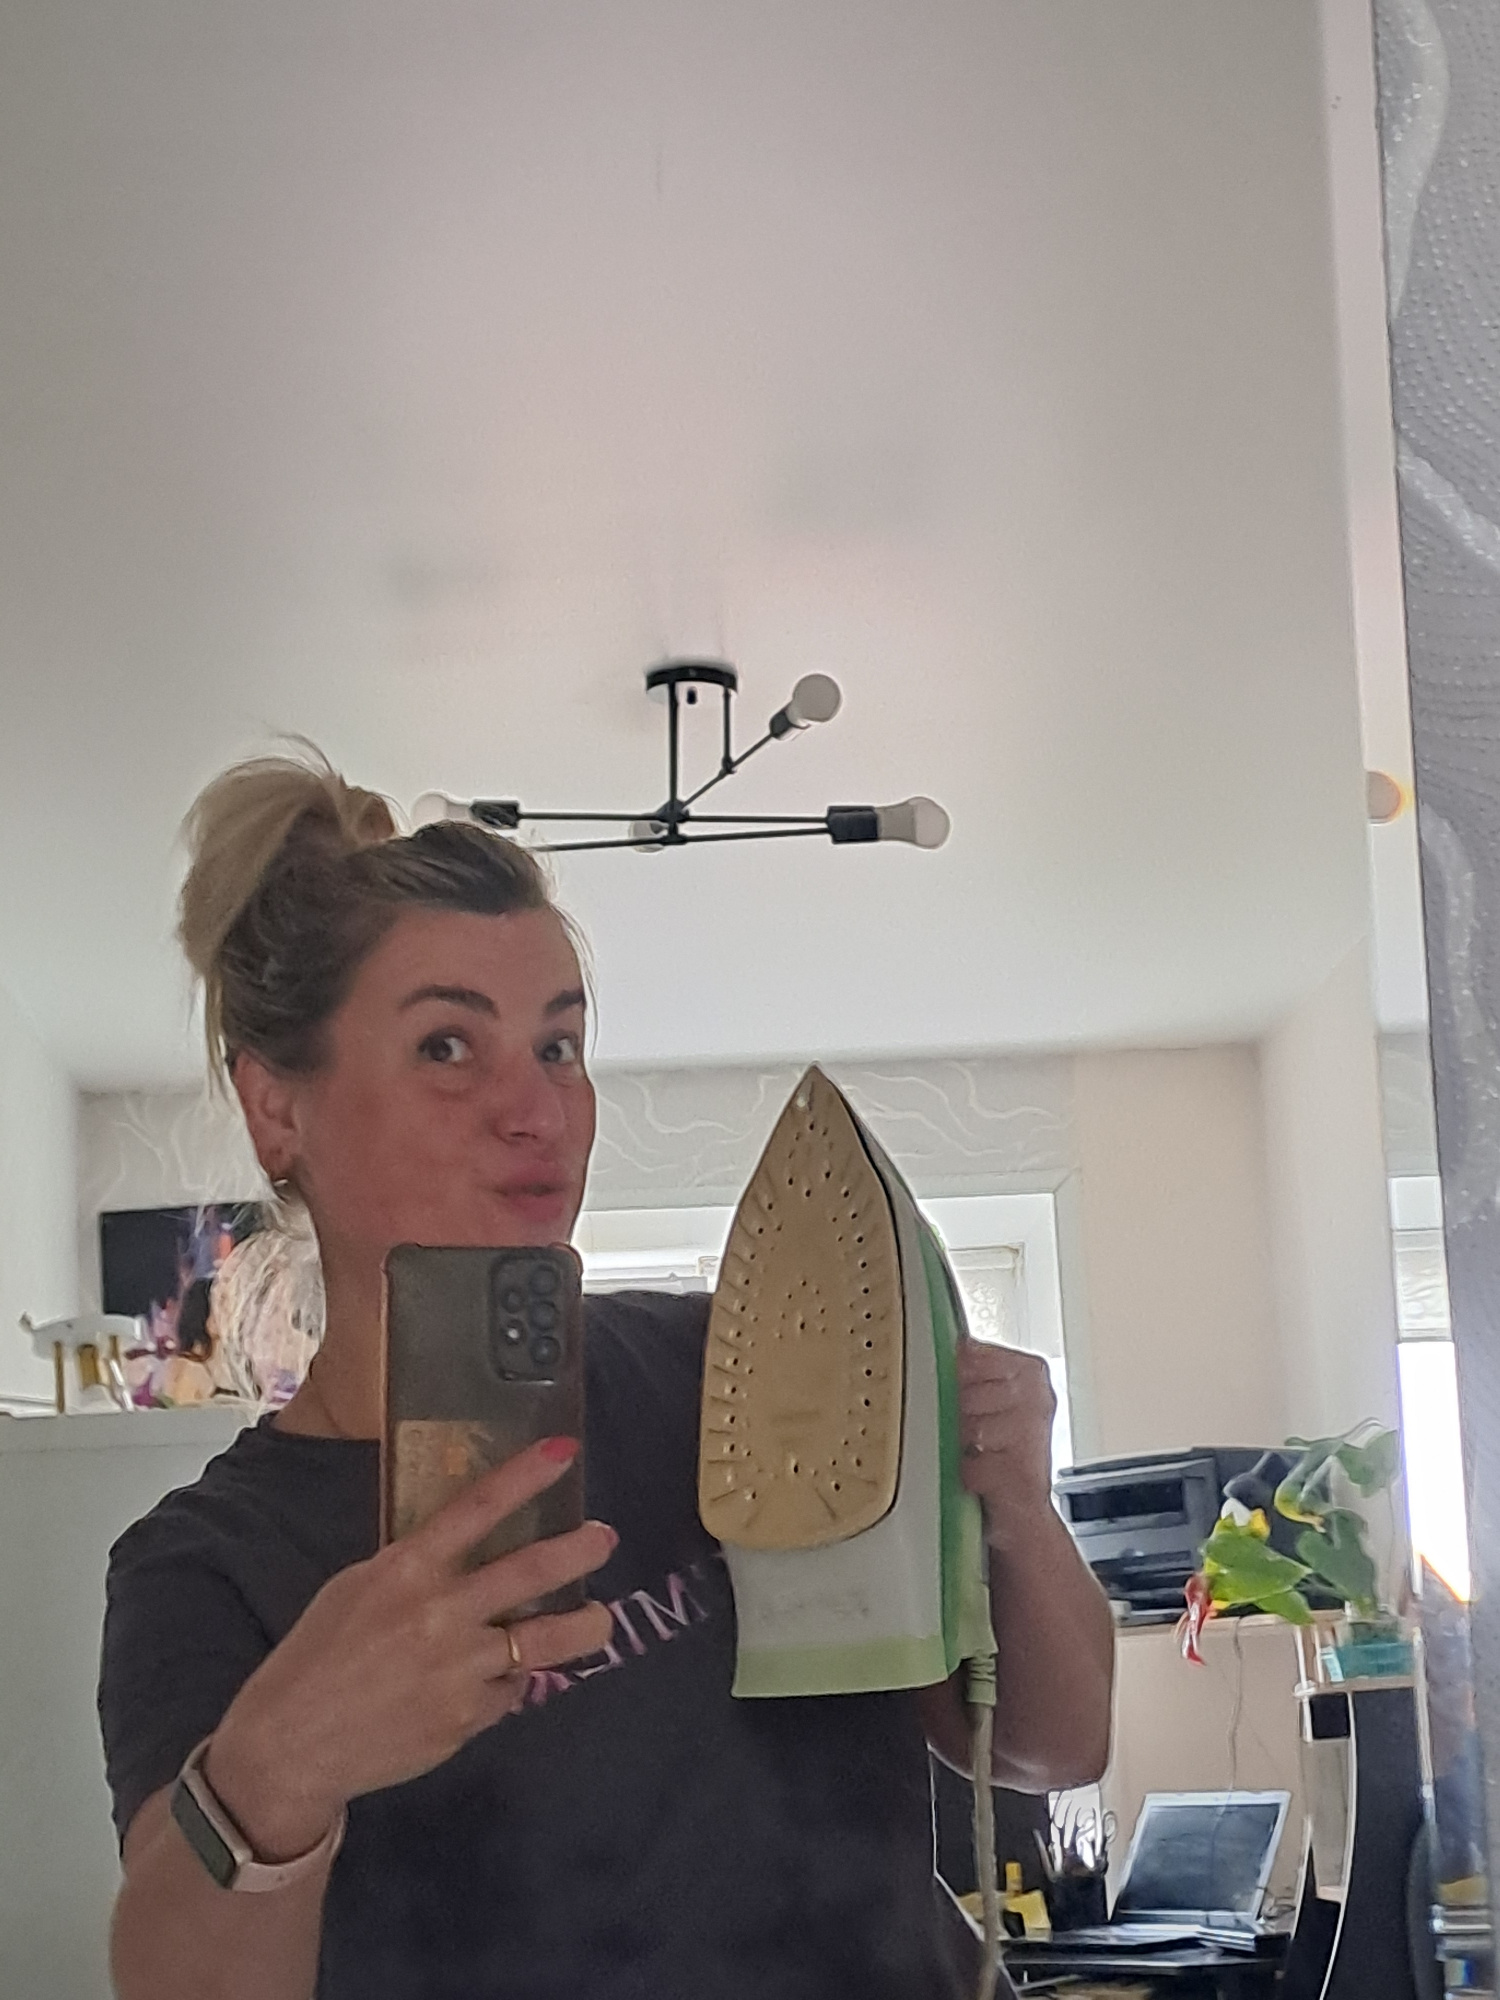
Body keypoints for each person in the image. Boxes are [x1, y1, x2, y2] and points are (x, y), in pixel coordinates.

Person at [99, 749, 1114, 2000]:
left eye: (560, 1043)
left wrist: (1014, 1506)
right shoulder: (206, 1565)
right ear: (277, 1109)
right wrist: (278, 1766)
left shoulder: (721, 1361)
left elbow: (1049, 1748)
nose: (536, 1108)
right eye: (447, 1044)